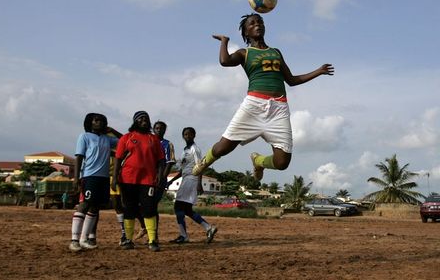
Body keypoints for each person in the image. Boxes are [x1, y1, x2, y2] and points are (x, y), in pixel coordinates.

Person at [192, 13, 334, 180]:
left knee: (282, 162)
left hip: (279, 108)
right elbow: (225, 61)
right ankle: (204, 163)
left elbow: (292, 80)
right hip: (254, 106)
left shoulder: (276, 52)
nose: (257, 25)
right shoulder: (245, 53)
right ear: (246, 33)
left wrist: (319, 71)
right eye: (252, 24)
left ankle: (258, 161)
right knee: (223, 148)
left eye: (260, 22)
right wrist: (224, 41)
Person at [112, 111, 165, 252]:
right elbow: (118, 158)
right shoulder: (127, 138)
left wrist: (160, 175)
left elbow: (161, 160)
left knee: (149, 209)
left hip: (148, 179)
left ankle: (153, 240)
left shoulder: (153, 139)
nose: (144, 120)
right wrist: (114, 177)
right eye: (141, 118)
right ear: (135, 121)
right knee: (129, 208)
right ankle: (128, 240)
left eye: (146, 118)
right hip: (127, 178)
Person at [69, 113, 122, 252]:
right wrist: (76, 178)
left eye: (102, 121)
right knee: (84, 205)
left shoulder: (106, 139)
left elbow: (124, 140)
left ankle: (84, 239)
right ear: (90, 123)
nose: (99, 123)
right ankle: (74, 240)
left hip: (103, 177)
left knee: (95, 207)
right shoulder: (84, 137)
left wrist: (112, 130)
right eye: (96, 120)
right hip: (89, 176)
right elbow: (79, 158)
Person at [168, 127, 217, 244]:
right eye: (185, 134)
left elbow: (200, 165)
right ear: (183, 136)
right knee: (187, 210)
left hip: (191, 179)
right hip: (186, 179)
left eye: (190, 134)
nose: (187, 136)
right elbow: (182, 170)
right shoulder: (185, 150)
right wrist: (171, 181)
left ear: (194, 136)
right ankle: (209, 228)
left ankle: (184, 235)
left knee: (178, 207)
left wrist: (199, 183)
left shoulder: (195, 149)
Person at [135, 120, 176, 242]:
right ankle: (144, 227)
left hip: (158, 180)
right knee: (136, 205)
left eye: (161, 128)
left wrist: (162, 178)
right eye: (157, 128)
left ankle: (154, 235)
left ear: (164, 130)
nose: (159, 130)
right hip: (144, 178)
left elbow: (169, 163)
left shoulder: (167, 144)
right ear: (153, 129)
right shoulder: (148, 141)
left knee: (152, 206)